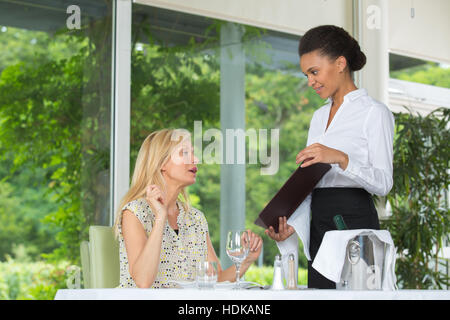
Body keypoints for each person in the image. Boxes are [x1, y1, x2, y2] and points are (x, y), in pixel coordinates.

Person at [265, 25, 395, 289]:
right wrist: (292, 224)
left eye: (314, 72)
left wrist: (341, 158)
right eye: (306, 75)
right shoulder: (318, 117)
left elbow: (384, 183)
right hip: (320, 220)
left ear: (340, 63)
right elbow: (312, 182)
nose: (310, 81)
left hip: (355, 221)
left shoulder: (374, 113)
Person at [113, 129, 262, 288]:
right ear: (162, 163)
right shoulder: (134, 212)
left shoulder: (195, 219)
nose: (196, 159)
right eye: (185, 153)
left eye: (193, 153)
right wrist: (160, 218)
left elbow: (216, 279)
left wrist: (247, 260)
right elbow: (143, 281)